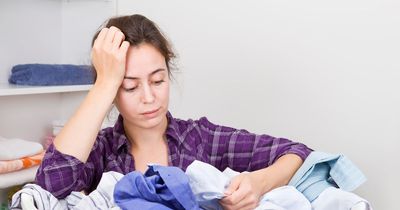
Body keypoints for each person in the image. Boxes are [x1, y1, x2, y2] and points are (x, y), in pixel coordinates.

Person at [35, 14, 312, 210]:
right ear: (111, 94)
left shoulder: (200, 137)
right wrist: (105, 82)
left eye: (158, 81)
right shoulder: (100, 150)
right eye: (130, 87)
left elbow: (296, 152)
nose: (149, 97)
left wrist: (258, 183)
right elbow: (49, 184)